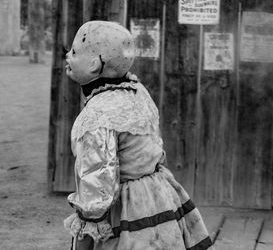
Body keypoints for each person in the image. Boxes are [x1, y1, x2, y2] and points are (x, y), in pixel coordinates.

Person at [63, 21, 212, 250]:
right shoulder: (136, 90)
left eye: (74, 52)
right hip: (159, 193)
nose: (67, 55)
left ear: (94, 65)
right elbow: (154, 143)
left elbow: (97, 187)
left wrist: (84, 238)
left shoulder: (96, 116)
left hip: (127, 208)